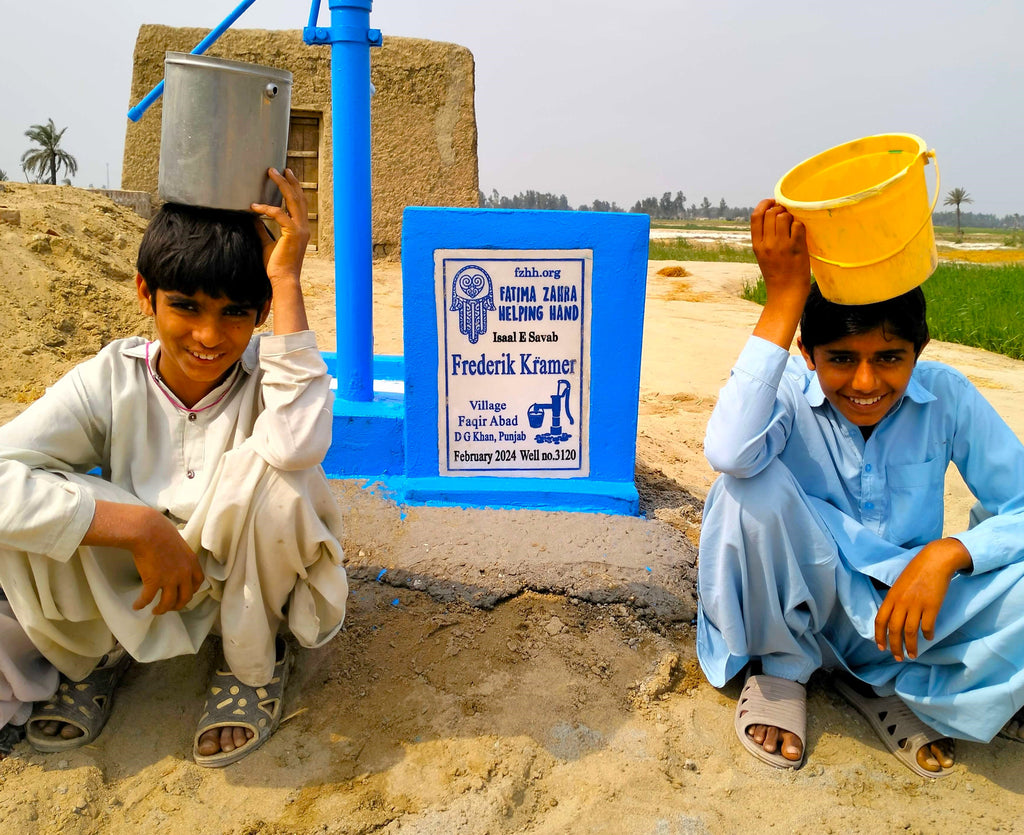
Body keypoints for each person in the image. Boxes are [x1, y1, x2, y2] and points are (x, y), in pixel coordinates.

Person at [0, 168, 348, 767]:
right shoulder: (109, 379)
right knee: (41, 494)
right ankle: (95, 658)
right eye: (185, 306)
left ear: (262, 313)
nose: (208, 335)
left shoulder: (271, 376)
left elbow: (297, 444)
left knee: (282, 485)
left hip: (235, 587)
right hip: (143, 585)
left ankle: (251, 663)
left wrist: (287, 275)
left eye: (234, 313)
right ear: (145, 294)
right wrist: (137, 528)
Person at [697, 199, 1024, 778]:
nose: (866, 383)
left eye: (890, 358)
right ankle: (782, 669)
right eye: (841, 359)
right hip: (804, 608)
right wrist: (782, 300)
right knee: (747, 487)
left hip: (904, 620)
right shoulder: (790, 393)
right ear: (807, 354)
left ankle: (892, 682)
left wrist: (949, 554)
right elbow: (727, 451)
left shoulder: (945, 395)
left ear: (918, 353)